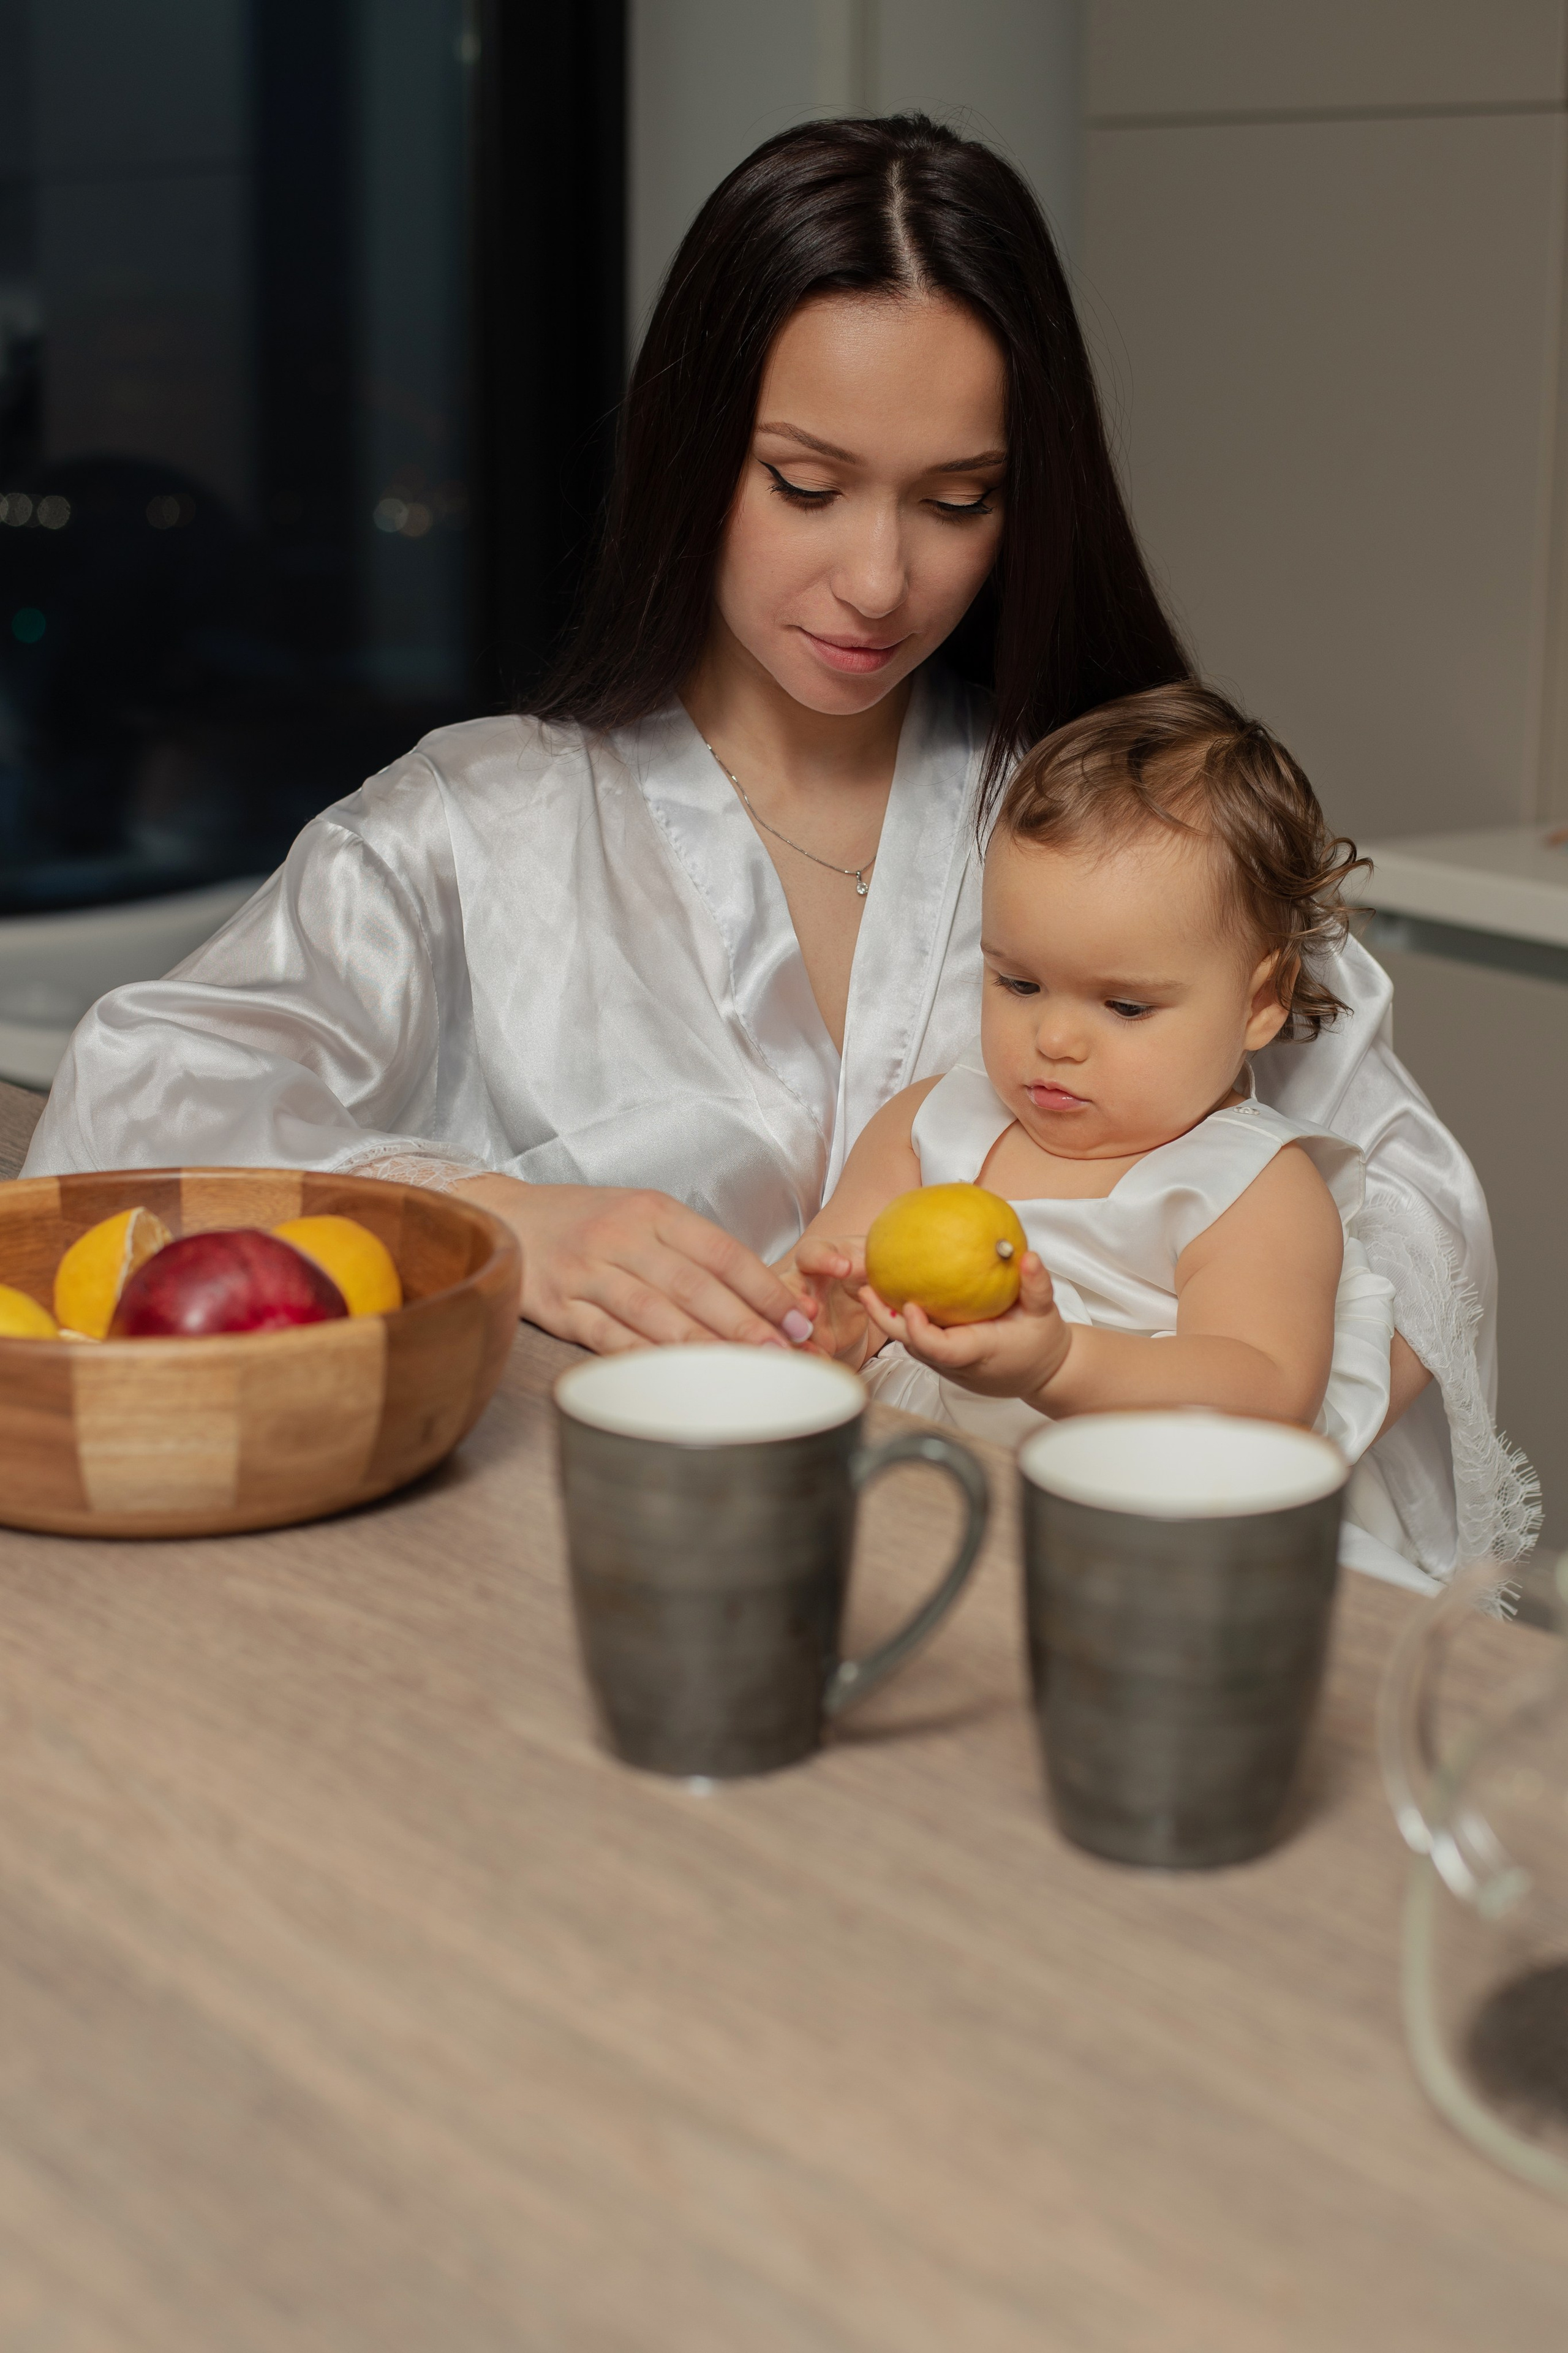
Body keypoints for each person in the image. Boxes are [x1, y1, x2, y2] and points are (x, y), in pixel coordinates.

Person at [21, 116, 1505, 1576]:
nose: (877, 580)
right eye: (805, 484)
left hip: (1079, 1597)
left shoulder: (1115, 824)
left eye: (957, 502)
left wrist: (1132, 1389)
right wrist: (491, 1219)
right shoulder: (474, 829)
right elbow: (143, 1103)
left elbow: (1407, 1209)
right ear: (690, 455)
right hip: (603, 1578)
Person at [782, 686, 1536, 1582]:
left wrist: (1058, 1359)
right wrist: (827, 1319)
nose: (1053, 1040)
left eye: (1125, 1004)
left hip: (1162, 1531)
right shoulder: (929, 1124)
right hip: (932, 1493)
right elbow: (838, 1263)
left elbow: (1262, 1389)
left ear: (1260, 1002)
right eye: (1017, 983)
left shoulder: (1251, 1187)